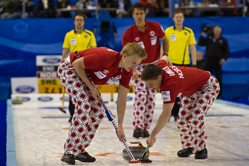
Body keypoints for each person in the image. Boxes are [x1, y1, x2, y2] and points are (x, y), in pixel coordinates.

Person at [58, 42, 147, 165]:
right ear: (124, 56)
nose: (134, 66)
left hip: (85, 75)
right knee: (84, 106)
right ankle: (69, 150)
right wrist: (91, 87)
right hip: (69, 69)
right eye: (133, 62)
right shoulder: (105, 57)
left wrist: (120, 125)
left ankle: (79, 149)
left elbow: (122, 98)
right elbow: (76, 64)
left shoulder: (127, 72)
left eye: (137, 64)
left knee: (99, 112)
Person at [141, 56, 220, 160]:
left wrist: (153, 135)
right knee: (182, 120)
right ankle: (189, 147)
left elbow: (166, 114)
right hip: (191, 88)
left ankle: (201, 149)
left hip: (208, 85)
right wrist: (176, 73)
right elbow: (165, 57)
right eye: (147, 85)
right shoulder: (160, 67)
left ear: (159, 77)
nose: (150, 87)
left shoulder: (169, 86)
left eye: (151, 84)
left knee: (195, 117)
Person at [122, 3, 169, 139]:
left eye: (141, 13)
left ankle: (145, 128)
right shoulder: (128, 33)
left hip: (153, 65)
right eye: (136, 14)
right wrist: (132, 70)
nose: (139, 16)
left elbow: (165, 40)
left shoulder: (155, 26)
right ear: (132, 15)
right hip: (138, 66)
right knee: (141, 95)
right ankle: (137, 126)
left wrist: (165, 54)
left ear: (145, 14)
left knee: (151, 97)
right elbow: (125, 54)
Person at [62, 13, 97, 122]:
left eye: (81, 19)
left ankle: (89, 114)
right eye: (77, 19)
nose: (79, 21)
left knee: (88, 90)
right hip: (72, 67)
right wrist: (64, 64)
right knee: (74, 91)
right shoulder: (69, 35)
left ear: (84, 22)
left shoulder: (90, 34)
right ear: (74, 22)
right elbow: (65, 50)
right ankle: (73, 115)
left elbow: (94, 50)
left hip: (86, 66)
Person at [164, 9, 197, 121]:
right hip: (170, 64)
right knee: (169, 89)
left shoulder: (188, 31)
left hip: (184, 64)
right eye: (176, 17)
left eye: (180, 17)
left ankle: (180, 113)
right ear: (173, 18)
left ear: (183, 18)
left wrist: (195, 63)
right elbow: (163, 47)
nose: (178, 18)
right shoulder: (168, 31)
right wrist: (161, 61)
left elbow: (193, 48)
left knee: (183, 90)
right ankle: (168, 113)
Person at [198, 26, 229, 99]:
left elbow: (226, 52)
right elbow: (200, 43)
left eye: (219, 30)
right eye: (216, 30)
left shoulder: (223, 40)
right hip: (208, 60)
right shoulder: (209, 38)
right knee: (206, 77)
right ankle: (204, 94)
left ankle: (219, 95)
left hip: (217, 61)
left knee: (219, 78)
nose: (217, 32)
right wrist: (203, 34)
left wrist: (223, 59)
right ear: (213, 31)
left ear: (221, 31)